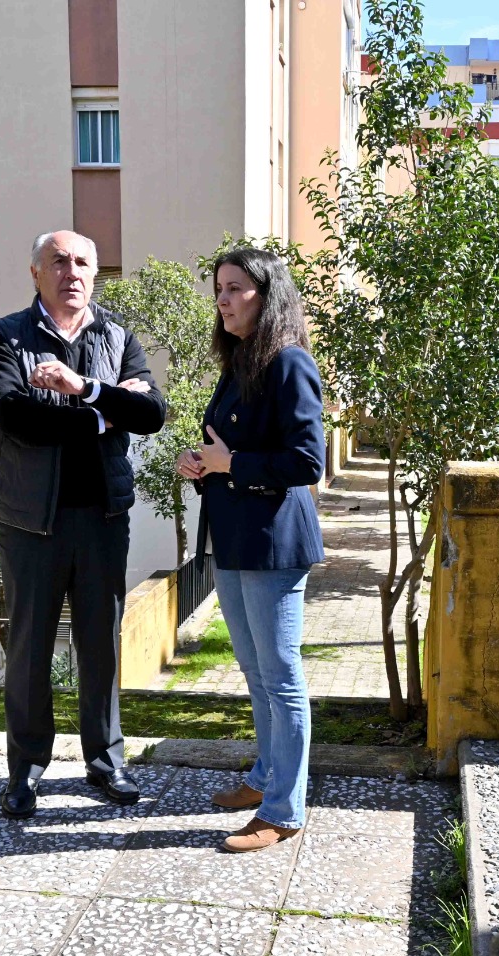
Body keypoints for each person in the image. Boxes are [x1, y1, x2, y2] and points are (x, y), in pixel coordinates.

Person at [0, 230, 166, 818]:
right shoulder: (4, 336)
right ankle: (25, 770)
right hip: (32, 522)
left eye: (83, 262)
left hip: (104, 518)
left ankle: (106, 761)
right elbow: (17, 417)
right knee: (30, 649)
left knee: (101, 646)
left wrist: (83, 391)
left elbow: (151, 413)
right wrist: (105, 413)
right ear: (36, 272)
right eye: (58, 261)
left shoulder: (117, 336)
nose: (73, 272)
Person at [176, 247, 324, 853]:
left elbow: (306, 461)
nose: (223, 299)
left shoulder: (289, 362)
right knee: (256, 673)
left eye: (235, 288)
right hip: (234, 540)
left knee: (281, 677)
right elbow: (227, 447)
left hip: (273, 544)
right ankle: (264, 778)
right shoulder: (241, 363)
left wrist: (230, 463)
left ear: (267, 295)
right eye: (219, 288)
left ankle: (284, 811)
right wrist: (201, 463)